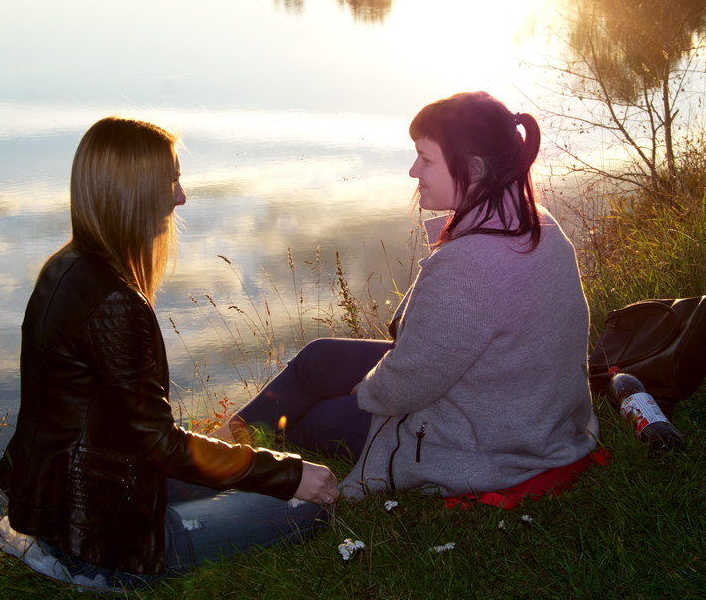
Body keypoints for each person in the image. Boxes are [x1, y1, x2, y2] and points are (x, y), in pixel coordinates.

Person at [0, 117, 338, 590]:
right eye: (172, 180)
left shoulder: (65, 268)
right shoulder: (113, 301)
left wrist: (262, 470)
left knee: (255, 477)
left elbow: (139, 439)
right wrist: (288, 474)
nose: (182, 196)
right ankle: (86, 572)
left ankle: (49, 544)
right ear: (133, 190)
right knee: (307, 507)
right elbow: (161, 445)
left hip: (79, 500)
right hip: (106, 540)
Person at [215, 91, 601, 503]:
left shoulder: (469, 263)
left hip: (487, 438)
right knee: (319, 357)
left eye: (426, 158)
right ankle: (214, 448)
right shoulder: (536, 222)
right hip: (527, 410)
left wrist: (360, 389)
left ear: (474, 169)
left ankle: (215, 466)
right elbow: (423, 346)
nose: (413, 170)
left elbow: (405, 387)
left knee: (308, 419)